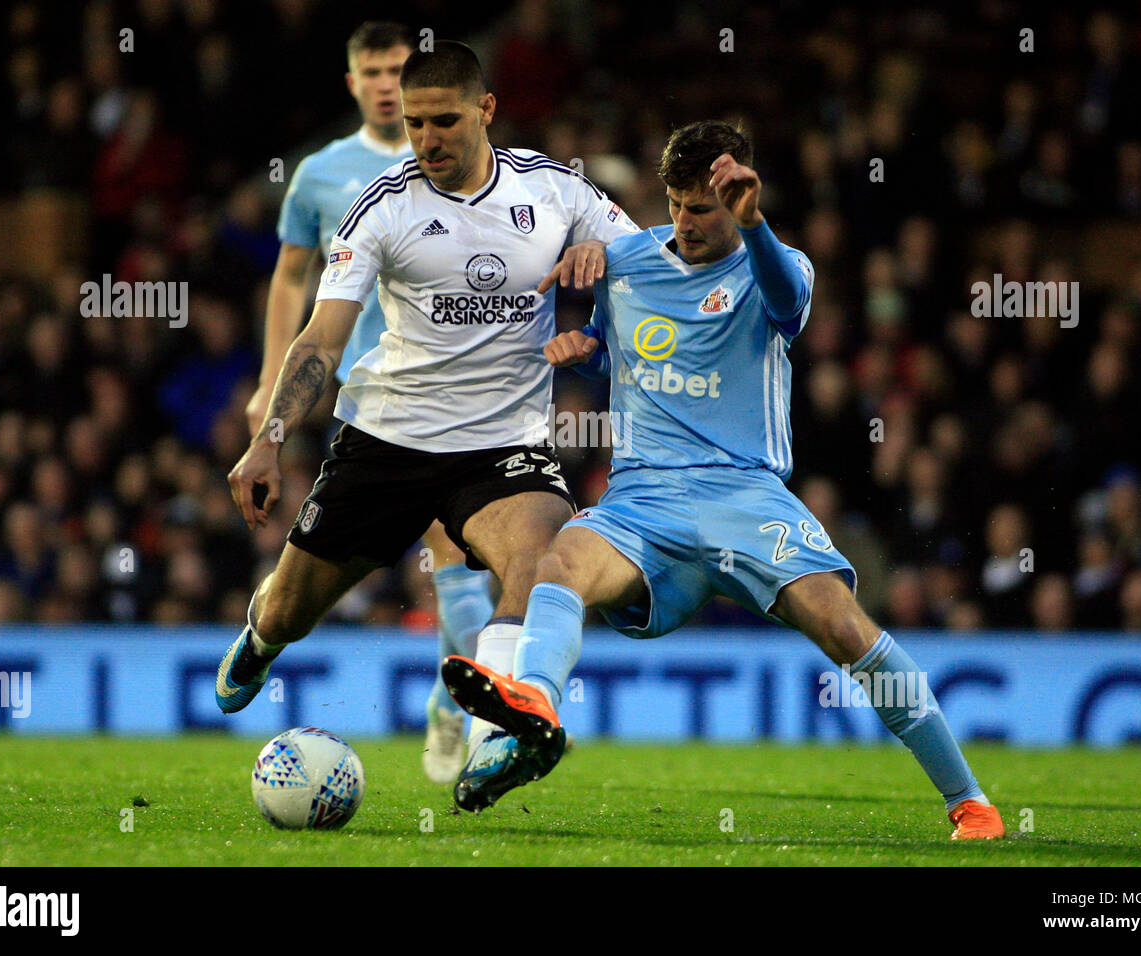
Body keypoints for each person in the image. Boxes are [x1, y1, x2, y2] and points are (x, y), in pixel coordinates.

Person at [440, 121, 1005, 840]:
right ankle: (537, 710)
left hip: (745, 496)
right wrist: (589, 354)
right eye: (676, 203)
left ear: (737, 198)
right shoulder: (626, 263)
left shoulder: (781, 265)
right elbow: (630, 357)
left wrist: (755, 224)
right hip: (643, 502)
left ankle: (970, 801)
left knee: (843, 626)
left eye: (702, 207)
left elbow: (785, 303)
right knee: (559, 561)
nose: (685, 221)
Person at [217, 42, 639, 787]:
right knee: (288, 613)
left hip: (503, 446)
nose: (428, 140)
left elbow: (651, 265)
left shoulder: (556, 192)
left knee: (541, 567)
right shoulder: (383, 205)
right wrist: (268, 440)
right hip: (385, 441)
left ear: (486, 110)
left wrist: (604, 264)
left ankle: (494, 742)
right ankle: (259, 636)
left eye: (444, 121)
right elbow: (321, 339)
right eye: (414, 124)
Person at [242, 22, 490, 783]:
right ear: (352, 84)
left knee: (459, 555)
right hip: (354, 395)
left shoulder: (464, 168)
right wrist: (268, 387)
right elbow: (290, 278)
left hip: (445, 397)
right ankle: (265, 629)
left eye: (396, 70)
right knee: (314, 568)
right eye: (373, 72)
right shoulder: (322, 174)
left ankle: (463, 711)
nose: (386, 83)